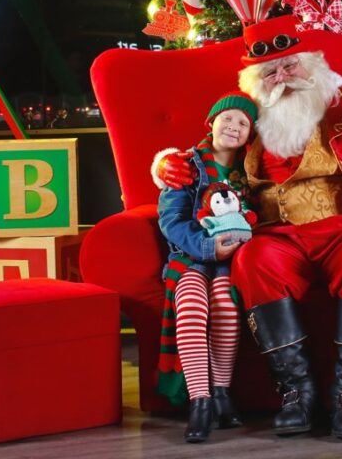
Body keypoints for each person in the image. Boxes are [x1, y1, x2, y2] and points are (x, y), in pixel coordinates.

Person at [157, 14, 342, 440]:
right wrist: (166, 164)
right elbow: (208, 152)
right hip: (276, 233)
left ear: (313, 65)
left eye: (291, 65)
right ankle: (298, 393)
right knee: (252, 259)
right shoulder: (248, 119)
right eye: (270, 72)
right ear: (256, 82)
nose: (282, 77)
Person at [153, 91, 258, 443]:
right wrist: (205, 247)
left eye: (243, 123)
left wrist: (238, 247)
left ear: (250, 135)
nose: (233, 126)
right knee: (193, 307)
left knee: (226, 305)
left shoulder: (251, 171)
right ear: (211, 122)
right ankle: (200, 401)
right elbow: (170, 220)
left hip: (233, 258)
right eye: (226, 118)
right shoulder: (187, 164)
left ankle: (222, 394)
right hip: (191, 256)